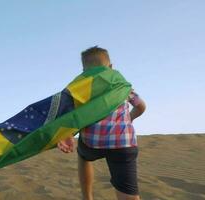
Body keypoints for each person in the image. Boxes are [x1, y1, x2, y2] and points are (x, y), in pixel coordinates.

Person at [57, 46, 146, 200]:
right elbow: (141, 106)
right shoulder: (122, 86)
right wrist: (128, 119)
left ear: (84, 70)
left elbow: (70, 114)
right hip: (123, 143)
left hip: (93, 143)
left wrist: (67, 134)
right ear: (110, 67)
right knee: (128, 192)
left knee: (83, 157)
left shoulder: (82, 88)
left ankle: (87, 197)